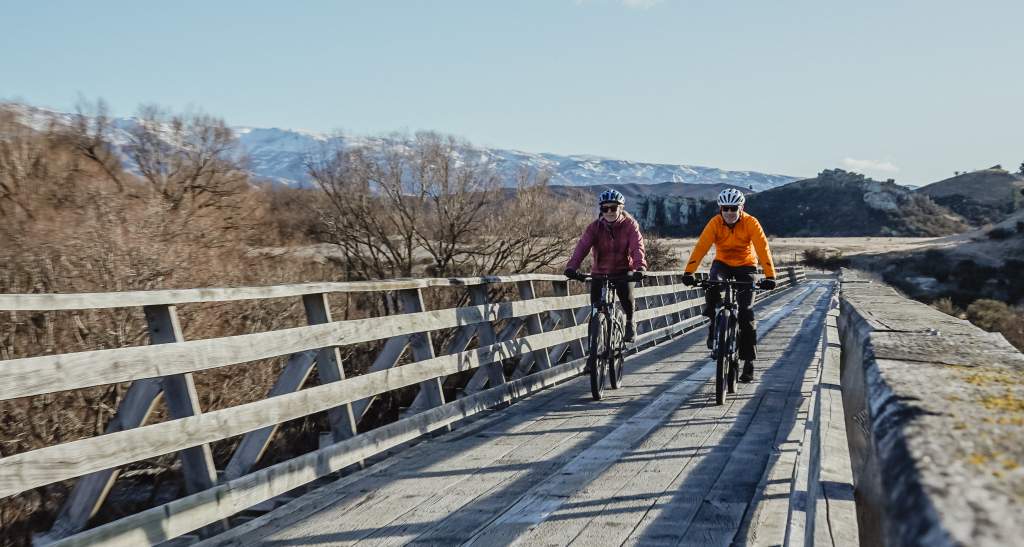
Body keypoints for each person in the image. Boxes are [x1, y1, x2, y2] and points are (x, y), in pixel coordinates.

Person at [681, 188, 776, 383]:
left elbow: (762, 248)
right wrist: (688, 272)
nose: (730, 212)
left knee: (746, 312)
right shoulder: (715, 223)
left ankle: (748, 361)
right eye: (726, 208)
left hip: (746, 265)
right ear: (720, 209)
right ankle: (714, 321)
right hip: (722, 263)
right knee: (712, 284)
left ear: (741, 208)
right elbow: (702, 246)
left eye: (734, 208)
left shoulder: (751, 222)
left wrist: (770, 276)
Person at [564, 189, 648, 342]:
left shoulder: (630, 225)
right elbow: (582, 247)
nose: (609, 212)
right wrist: (572, 267)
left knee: (626, 297)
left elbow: (637, 247)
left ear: (621, 208)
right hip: (600, 272)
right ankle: (594, 352)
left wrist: (640, 267)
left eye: (613, 208)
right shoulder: (594, 227)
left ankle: (629, 322)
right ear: (601, 210)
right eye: (605, 208)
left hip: (623, 271)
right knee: (595, 309)